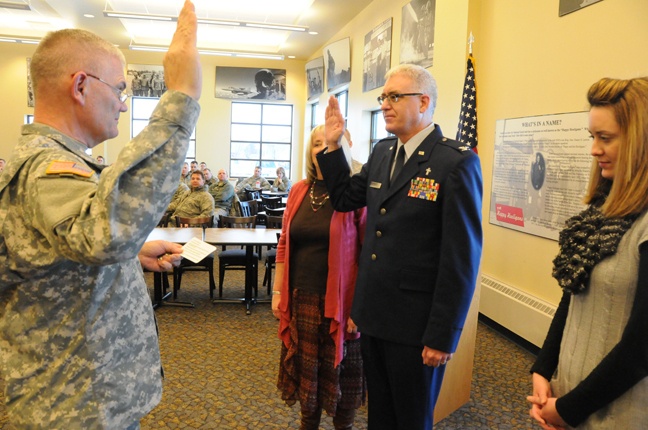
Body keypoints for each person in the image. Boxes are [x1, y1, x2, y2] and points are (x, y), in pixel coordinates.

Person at [0, 1, 202, 427]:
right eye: (120, 89)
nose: (123, 104)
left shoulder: (54, 164)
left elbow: (69, 247)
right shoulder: (45, 168)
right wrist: (180, 101)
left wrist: (132, 254)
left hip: (83, 398)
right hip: (70, 408)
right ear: (80, 86)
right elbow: (101, 235)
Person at [318, 64, 483, 430]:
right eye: (384, 97)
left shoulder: (455, 163)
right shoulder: (383, 152)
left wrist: (443, 335)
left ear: (423, 102)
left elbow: (461, 260)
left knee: (410, 418)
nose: (385, 105)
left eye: (395, 97)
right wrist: (333, 146)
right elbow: (345, 199)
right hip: (375, 316)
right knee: (381, 416)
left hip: (417, 325)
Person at [528, 77, 648, 429]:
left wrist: (568, 409)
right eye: (592, 137)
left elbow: (641, 348)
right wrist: (543, 369)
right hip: (572, 398)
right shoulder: (603, 210)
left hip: (618, 414)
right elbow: (573, 296)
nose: (594, 150)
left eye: (605, 138)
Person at [272, 125, 367, 430]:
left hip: (341, 306)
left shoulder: (356, 194)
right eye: (317, 145)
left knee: (343, 390)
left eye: (330, 144)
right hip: (302, 302)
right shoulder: (299, 190)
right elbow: (285, 244)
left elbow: (368, 253)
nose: (323, 150)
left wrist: (361, 307)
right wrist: (277, 293)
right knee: (307, 389)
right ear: (309, 153)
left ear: (342, 149)